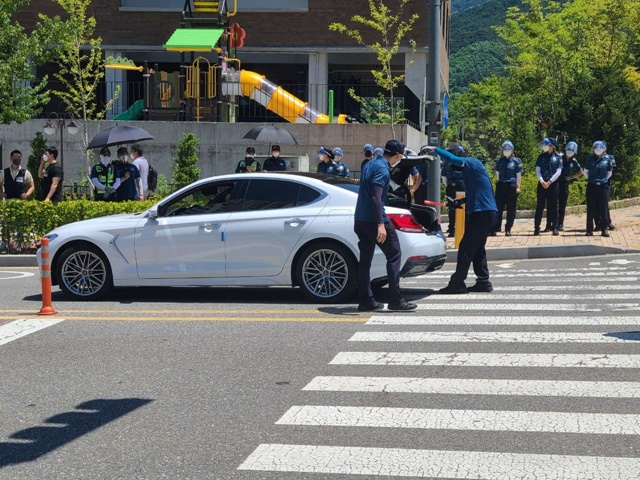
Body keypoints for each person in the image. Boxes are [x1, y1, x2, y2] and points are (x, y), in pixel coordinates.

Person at [425, 144, 498, 294]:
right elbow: (477, 191)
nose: (450, 166)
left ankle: (457, 283)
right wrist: (460, 202)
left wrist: (434, 149)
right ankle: (483, 282)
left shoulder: (472, 162)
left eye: (451, 163)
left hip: (482, 213)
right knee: (477, 248)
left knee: (465, 246)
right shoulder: (471, 171)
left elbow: (452, 158)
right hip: (486, 212)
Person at [354, 139, 417, 312]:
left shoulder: (370, 163)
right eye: (400, 156)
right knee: (394, 254)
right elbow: (376, 197)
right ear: (398, 155)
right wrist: (381, 224)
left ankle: (365, 300)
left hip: (360, 219)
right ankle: (395, 299)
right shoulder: (382, 169)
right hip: (374, 220)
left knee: (365, 260)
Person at [491, 141, 523, 237]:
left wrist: (518, 187)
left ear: (512, 150)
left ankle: (508, 228)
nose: (506, 150)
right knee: (498, 208)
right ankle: (495, 228)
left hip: (511, 186)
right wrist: (499, 181)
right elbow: (497, 173)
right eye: (504, 149)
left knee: (511, 209)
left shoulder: (517, 161)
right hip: (501, 185)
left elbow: (518, 175)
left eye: (508, 149)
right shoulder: (500, 161)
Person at [584, 140, 614, 237]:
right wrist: (592, 180)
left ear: (603, 149)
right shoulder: (590, 159)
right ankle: (589, 230)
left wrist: (603, 180)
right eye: (596, 148)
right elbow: (586, 172)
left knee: (603, 208)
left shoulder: (607, 159)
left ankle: (604, 229)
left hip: (603, 186)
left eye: (600, 148)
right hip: (592, 186)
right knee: (591, 208)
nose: (598, 149)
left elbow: (609, 173)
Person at [533, 137, 563, 236]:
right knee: (540, 206)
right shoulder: (541, 156)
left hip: (553, 184)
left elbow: (558, 172)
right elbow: (538, 170)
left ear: (552, 146)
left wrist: (549, 182)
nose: (545, 146)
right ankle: (536, 228)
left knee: (554, 206)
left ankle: (555, 228)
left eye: (547, 144)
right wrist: (542, 181)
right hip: (542, 183)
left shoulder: (558, 158)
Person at [557, 141, 583, 231]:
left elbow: (581, 172)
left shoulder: (574, 161)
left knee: (562, 204)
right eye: (568, 149)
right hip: (555, 182)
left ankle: (560, 224)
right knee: (554, 204)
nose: (570, 151)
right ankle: (553, 224)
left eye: (572, 150)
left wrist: (571, 177)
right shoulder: (559, 157)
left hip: (564, 183)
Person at [441, 156, 466, 237]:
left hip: (459, 187)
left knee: (460, 208)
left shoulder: (462, 163)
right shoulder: (448, 164)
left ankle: (459, 228)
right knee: (453, 209)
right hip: (454, 188)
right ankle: (452, 229)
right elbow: (443, 177)